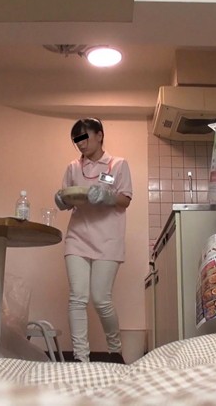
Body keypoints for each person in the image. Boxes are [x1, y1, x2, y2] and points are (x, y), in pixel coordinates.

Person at [54, 118, 132, 364]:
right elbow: (68, 198)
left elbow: (125, 199)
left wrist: (107, 197)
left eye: (84, 137)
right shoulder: (73, 168)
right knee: (77, 297)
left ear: (99, 135)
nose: (80, 143)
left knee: (101, 299)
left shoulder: (117, 164)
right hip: (77, 237)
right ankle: (80, 359)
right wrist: (61, 200)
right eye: (76, 140)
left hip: (108, 239)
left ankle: (115, 351)